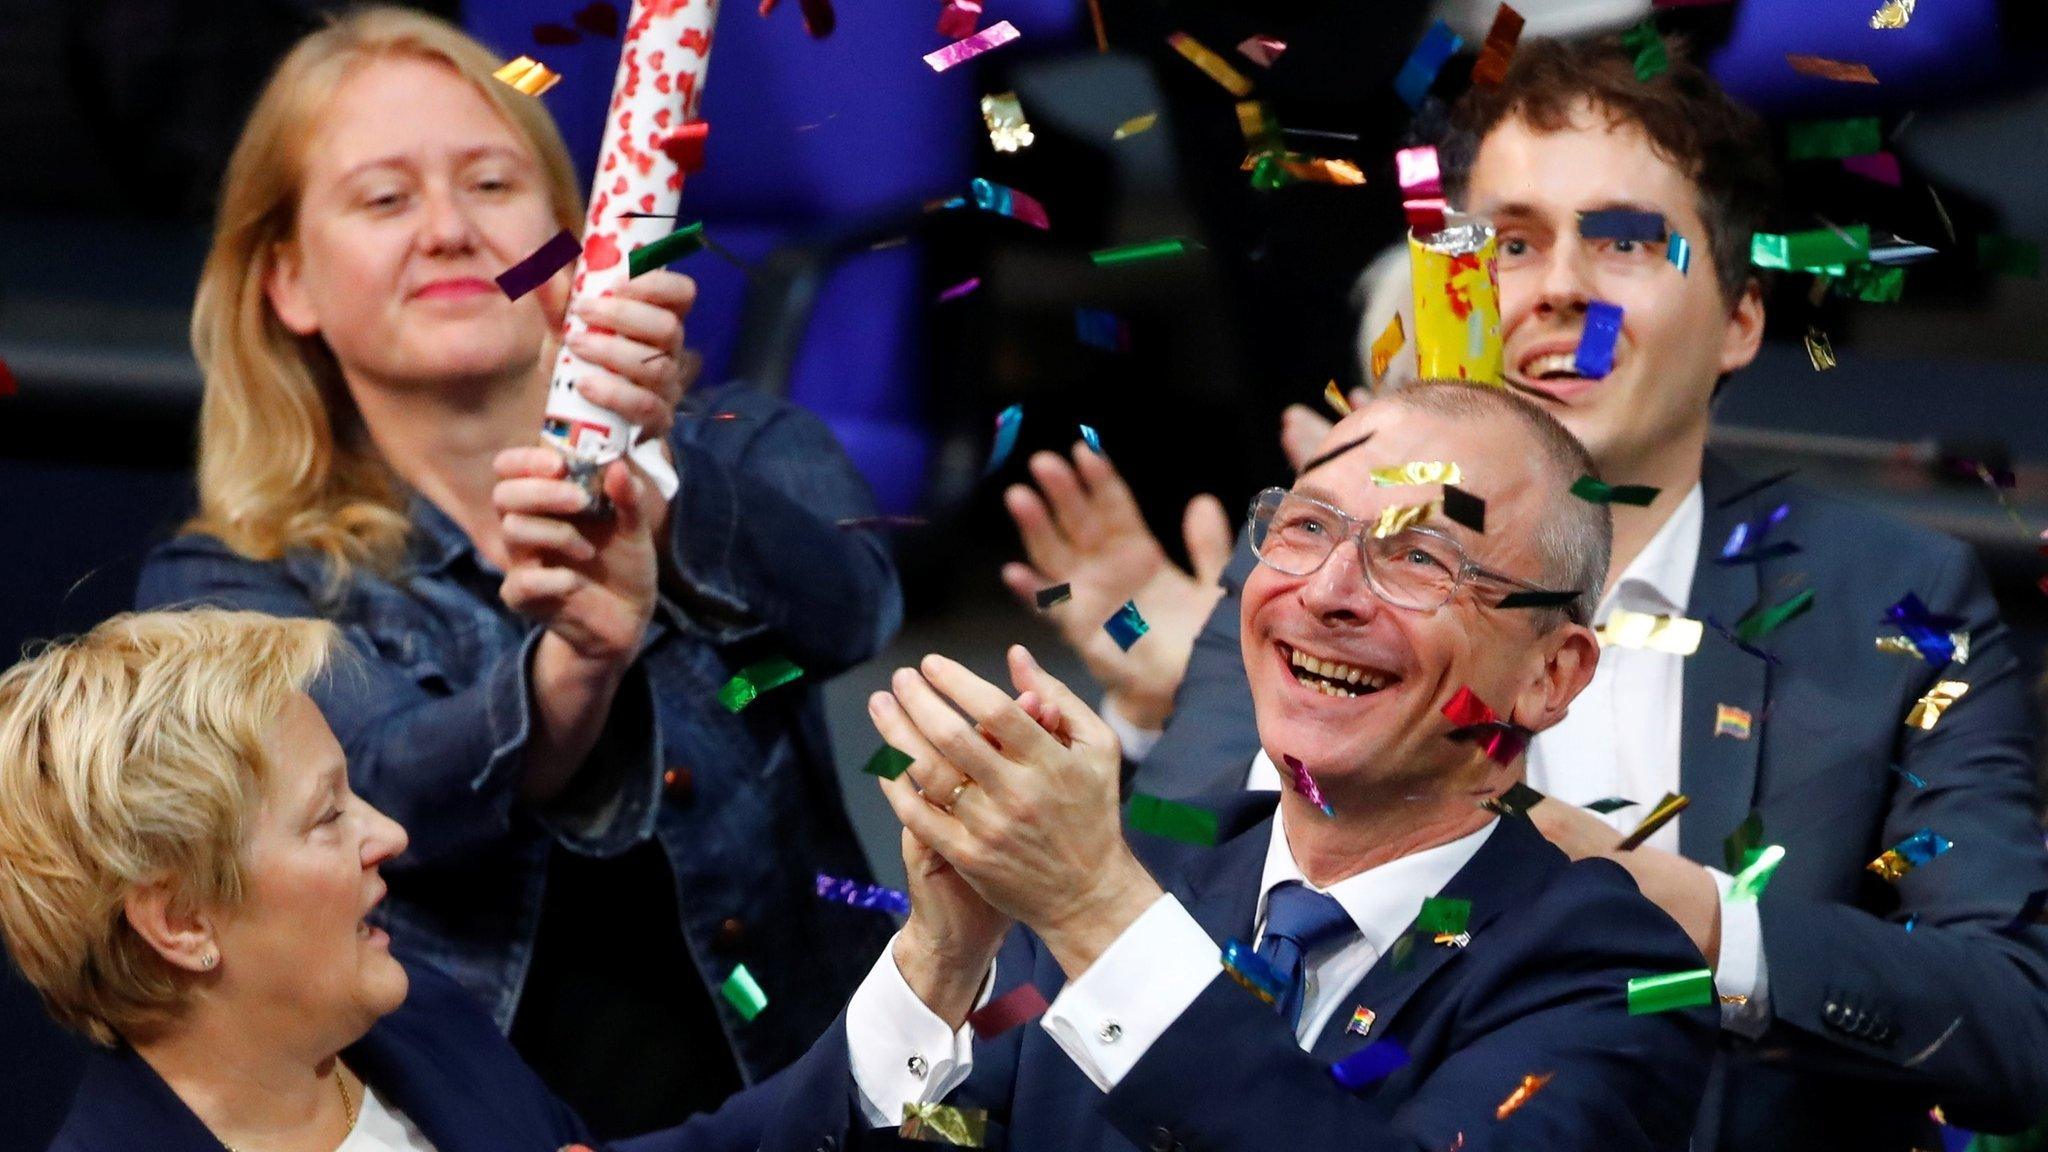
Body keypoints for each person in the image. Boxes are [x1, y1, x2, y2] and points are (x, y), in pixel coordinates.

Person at [1007, 33, 2048, 1152]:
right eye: (1506, 243)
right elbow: (1148, 905)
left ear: (1741, 318)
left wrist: (1697, 916)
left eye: (1625, 243)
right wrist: (1153, 717)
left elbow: (2017, 1027)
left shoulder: (1888, 597)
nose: (1555, 289)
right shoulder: (1316, 569)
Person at [132, 8, 898, 1135]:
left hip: (817, 1096)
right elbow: (391, 790)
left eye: (491, 184)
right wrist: (573, 670)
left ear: (570, 238)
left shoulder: (733, 435)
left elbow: (854, 609)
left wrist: (658, 458)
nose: (447, 229)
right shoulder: (224, 587)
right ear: (287, 282)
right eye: (385, 199)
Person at [761, 384, 1718, 1152]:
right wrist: (940, 958)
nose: (1331, 592)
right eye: (1306, 528)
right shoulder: (1161, 881)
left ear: (1553, 674)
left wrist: (1094, 907)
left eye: (1422, 557)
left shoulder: (1611, 975)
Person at [0, 609, 813, 1152]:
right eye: (327, 817)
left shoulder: (424, 1015)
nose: (388, 835)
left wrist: (923, 976)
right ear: (180, 922)